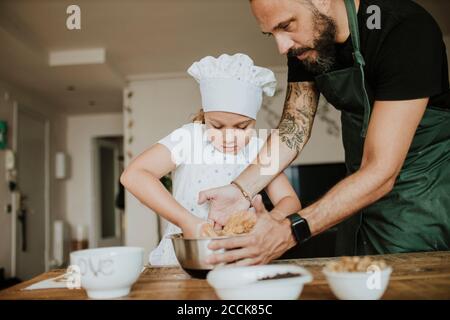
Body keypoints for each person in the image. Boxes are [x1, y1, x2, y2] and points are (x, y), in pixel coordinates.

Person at [200, 0, 450, 266]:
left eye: (286, 26)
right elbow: (292, 128)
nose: (282, 46)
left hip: (420, 207)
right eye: (272, 33)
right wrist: (240, 190)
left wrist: (289, 231)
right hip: (353, 202)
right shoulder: (305, 46)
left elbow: (381, 170)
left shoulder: (402, 29)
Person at [120, 53, 302, 265]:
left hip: (240, 257)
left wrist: (266, 220)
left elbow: (290, 201)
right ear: (205, 117)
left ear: (253, 120)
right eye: (217, 126)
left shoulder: (259, 148)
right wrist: (186, 221)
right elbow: (133, 175)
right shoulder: (189, 138)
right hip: (184, 259)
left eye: (242, 127)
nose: (229, 136)